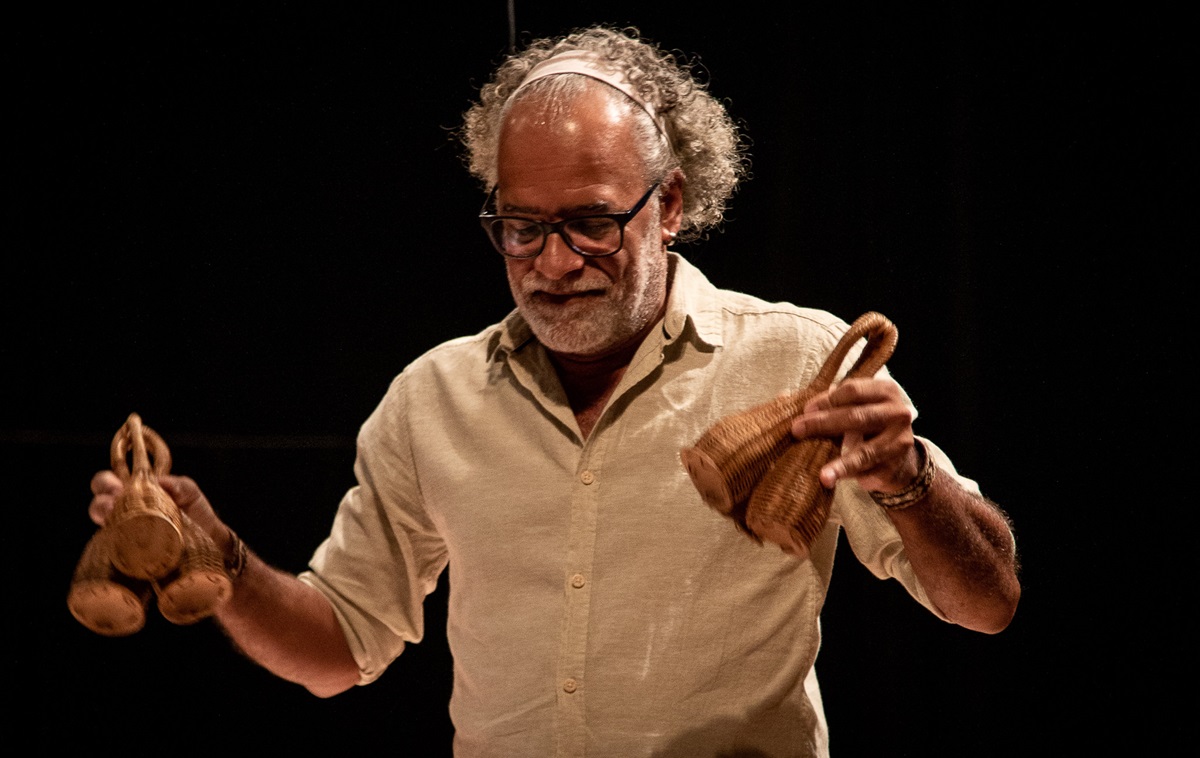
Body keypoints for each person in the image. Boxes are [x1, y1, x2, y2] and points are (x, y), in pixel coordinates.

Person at [89, 26, 1019, 757]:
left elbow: (988, 602)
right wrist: (220, 558)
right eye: (520, 226)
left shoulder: (799, 362)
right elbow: (339, 650)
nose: (553, 263)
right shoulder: (433, 399)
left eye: (590, 222)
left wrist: (908, 480)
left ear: (670, 204)